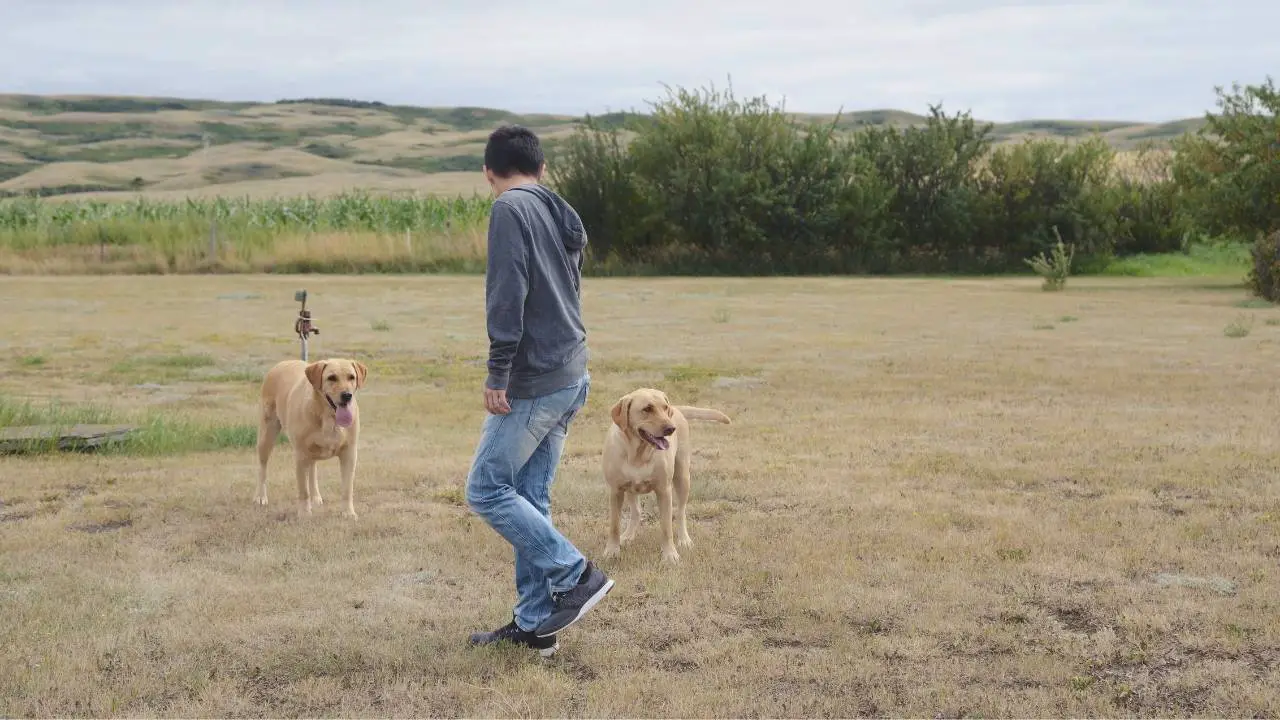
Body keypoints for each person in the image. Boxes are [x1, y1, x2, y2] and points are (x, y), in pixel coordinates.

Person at [464, 125, 614, 657]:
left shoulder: (509, 209)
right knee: (528, 497)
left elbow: (509, 292)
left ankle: (577, 574)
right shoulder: (556, 207)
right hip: (572, 372)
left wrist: (498, 370)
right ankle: (535, 626)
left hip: (535, 379)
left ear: (488, 172)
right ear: (542, 168)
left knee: (485, 490)